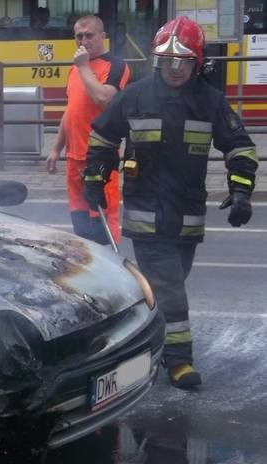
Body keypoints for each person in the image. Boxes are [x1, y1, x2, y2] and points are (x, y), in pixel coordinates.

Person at [83, 16, 258, 389]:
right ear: (157, 61)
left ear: (197, 63)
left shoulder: (210, 102)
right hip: (146, 215)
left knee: (166, 288)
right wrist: (94, 179)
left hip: (187, 217)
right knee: (172, 292)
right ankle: (179, 363)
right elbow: (102, 138)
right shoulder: (136, 96)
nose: (175, 69)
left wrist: (241, 191)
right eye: (167, 60)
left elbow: (240, 148)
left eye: (183, 61)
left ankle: (139, 344)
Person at [46, 15, 130, 244]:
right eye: (79, 36)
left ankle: (111, 272)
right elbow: (70, 111)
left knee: (102, 224)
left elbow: (104, 98)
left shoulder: (115, 66)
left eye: (89, 35)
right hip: (74, 159)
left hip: (100, 159)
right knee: (81, 226)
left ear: (102, 37)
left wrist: (83, 67)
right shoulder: (74, 71)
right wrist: (56, 149)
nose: (83, 40)